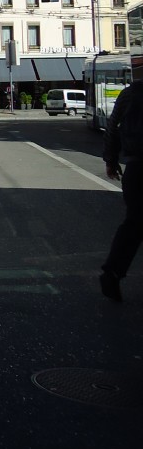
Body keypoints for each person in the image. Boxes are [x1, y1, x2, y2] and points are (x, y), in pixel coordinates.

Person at [100, 65, 143, 302]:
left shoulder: (128, 94)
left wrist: (111, 160)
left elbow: (112, 129)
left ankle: (112, 272)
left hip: (135, 168)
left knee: (134, 223)